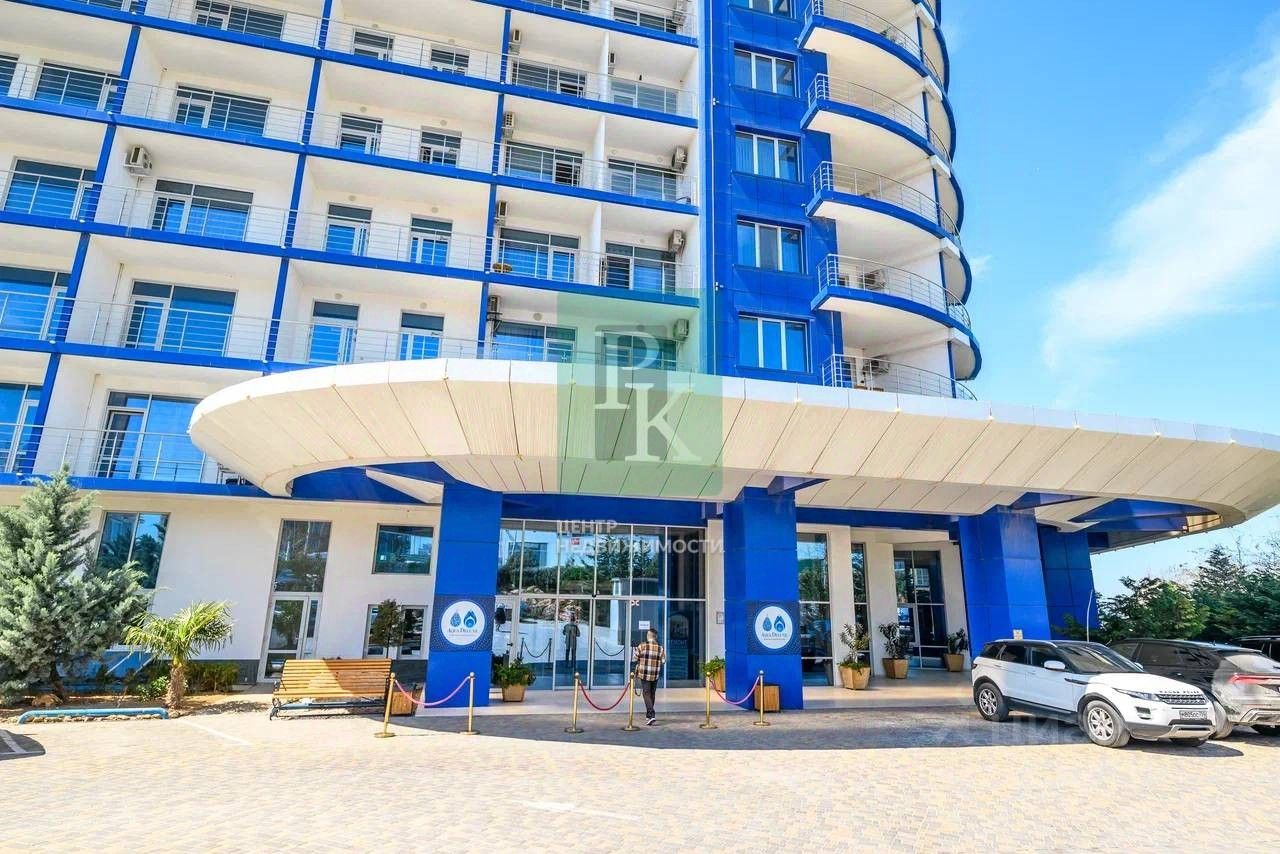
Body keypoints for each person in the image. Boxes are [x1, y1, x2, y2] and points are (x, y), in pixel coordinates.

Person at [631, 628, 666, 725]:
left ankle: (651, 715)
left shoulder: (641, 646)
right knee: (652, 693)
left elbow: (634, 659)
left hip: (644, 673)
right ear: (656, 637)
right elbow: (663, 661)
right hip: (655, 674)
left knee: (646, 693)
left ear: (648, 636)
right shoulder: (660, 648)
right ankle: (648, 714)